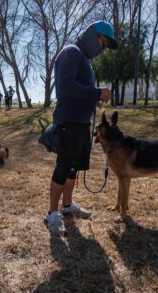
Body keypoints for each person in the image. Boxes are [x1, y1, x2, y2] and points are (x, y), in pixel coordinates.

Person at [44, 20, 117, 235]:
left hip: (81, 123)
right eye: (103, 45)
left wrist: (94, 97)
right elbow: (65, 86)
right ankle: (51, 215)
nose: (103, 51)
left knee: (73, 167)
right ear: (93, 36)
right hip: (70, 121)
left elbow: (81, 89)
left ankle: (67, 206)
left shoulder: (84, 59)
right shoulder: (72, 52)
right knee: (64, 166)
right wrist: (96, 93)